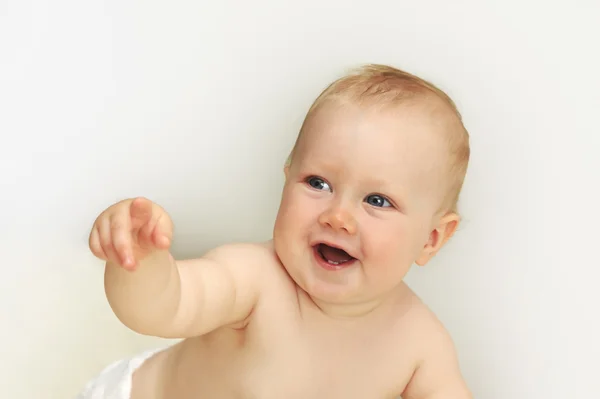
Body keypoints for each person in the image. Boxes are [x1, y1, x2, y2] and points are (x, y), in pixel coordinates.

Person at [78, 64, 472, 398]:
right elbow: (162, 307)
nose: (338, 217)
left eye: (377, 201)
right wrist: (140, 262)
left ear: (431, 239)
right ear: (287, 180)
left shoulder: (420, 343)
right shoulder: (254, 280)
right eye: (318, 183)